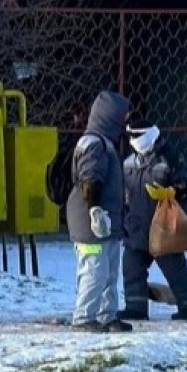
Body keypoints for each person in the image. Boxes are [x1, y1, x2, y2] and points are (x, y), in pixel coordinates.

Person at [117, 118, 187, 321]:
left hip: (164, 226)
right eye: (130, 136)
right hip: (136, 226)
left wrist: (171, 191)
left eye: (137, 135)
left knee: (174, 269)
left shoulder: (169, 156)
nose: (133, 140)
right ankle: (135, 308)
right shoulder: (128, 159)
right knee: (131, 268)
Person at [68, 91, 133, 333]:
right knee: (94, 270)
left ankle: (107, 315)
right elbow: (90, 178)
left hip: (107, 222)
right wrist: (94, 208)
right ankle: (84, 317)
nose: (125, 122)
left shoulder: (104, 143)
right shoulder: (93, 144)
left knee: (108, 272)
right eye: (123, 117)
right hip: (91, 223)